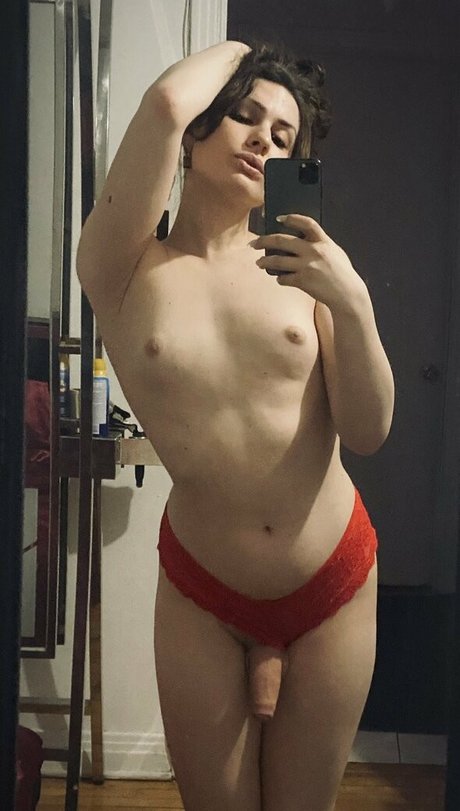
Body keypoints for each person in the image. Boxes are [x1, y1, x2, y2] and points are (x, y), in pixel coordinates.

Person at [77, 39, 394, 811]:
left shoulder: (303, 268)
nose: (264, 141)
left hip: (332, 580)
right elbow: (163, 103)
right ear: (198, 131)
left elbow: (367, 430)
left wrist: (351, 300)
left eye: (284, 136)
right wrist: (253, 57)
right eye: (246, 117)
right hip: (203, 591)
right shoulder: (124, 268)